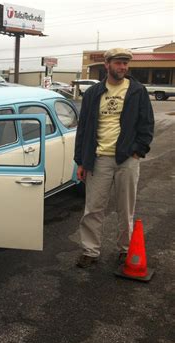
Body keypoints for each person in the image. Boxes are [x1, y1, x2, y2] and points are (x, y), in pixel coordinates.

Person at [74, 48, 154, 268]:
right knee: (93, 208)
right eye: (118, 63)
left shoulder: (137, 91)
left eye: (126, 63)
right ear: (107, 65)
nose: (123, 67)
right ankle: (90, 251)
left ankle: (125, 250)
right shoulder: (93, 93)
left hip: (127, 159)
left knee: (125, 208)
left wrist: (138, 150)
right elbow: (83, 129)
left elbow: (146, 124)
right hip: (99, 159)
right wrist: (81, 160)